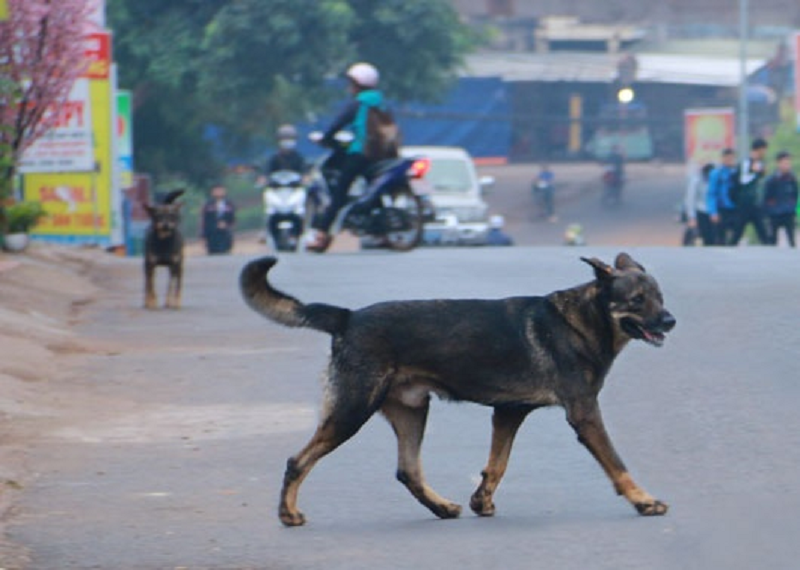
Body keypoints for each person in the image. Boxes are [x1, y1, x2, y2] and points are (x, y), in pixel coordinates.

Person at [306, 62, 394, 252]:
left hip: (360, 153)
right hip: (382, 155)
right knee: (374, 192)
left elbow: (338, 124)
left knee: (339, 193)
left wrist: (326, 138)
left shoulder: (358, 103)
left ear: (357, 84)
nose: (349, 87)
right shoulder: (381, 101)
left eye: (351, 83)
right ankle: (383, 233)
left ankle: (322, 235)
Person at [728, 138, 770, 246]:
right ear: (758, 150)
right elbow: (742, 180)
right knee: (737, 232)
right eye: (763, 150)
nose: (764, 153)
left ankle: (770, 254)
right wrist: (754, 172)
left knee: (763, 232)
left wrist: (760, 172)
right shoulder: (746, 162)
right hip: (743, 204)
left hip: (755, 204)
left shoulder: (760, 163)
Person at [762, 151, 798, 247]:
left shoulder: (792, 179)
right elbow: (766, 197)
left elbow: (795, 195)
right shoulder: (772, 180)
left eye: (788, 163)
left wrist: (794, 209)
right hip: (774, 213)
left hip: (788, 212)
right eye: (785, 163)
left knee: (791, 240)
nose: (787, 165)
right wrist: (768, 210)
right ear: (778, 163)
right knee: (772, 240)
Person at [706, 148, 738, 245]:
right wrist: (713, 212)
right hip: (721, 208)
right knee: (720, 238)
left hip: (735, 208)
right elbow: (711, 194)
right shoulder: (716, 173)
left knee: (735, 236)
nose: (730, 160)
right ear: (723, 158)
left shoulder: (736, 172)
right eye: (727, 158)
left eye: (731, 158)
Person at [683, 162, 715, 246]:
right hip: (700, 211)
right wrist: (692, 217)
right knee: (700, 236)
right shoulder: (696, 180)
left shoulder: (715, 180)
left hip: (713, 212)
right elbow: (690, 199)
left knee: (712, 238)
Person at [200, 184, 236, 254]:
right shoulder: (208, 204)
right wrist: (203, 235)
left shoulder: (229, 204)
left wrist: (226, 224)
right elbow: (203, 220)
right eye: (216, 190)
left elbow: (233, 218)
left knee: (225, 253)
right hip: (212, 235)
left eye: (220, 190)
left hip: (225, 234)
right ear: (212, 192)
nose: (219, 192)